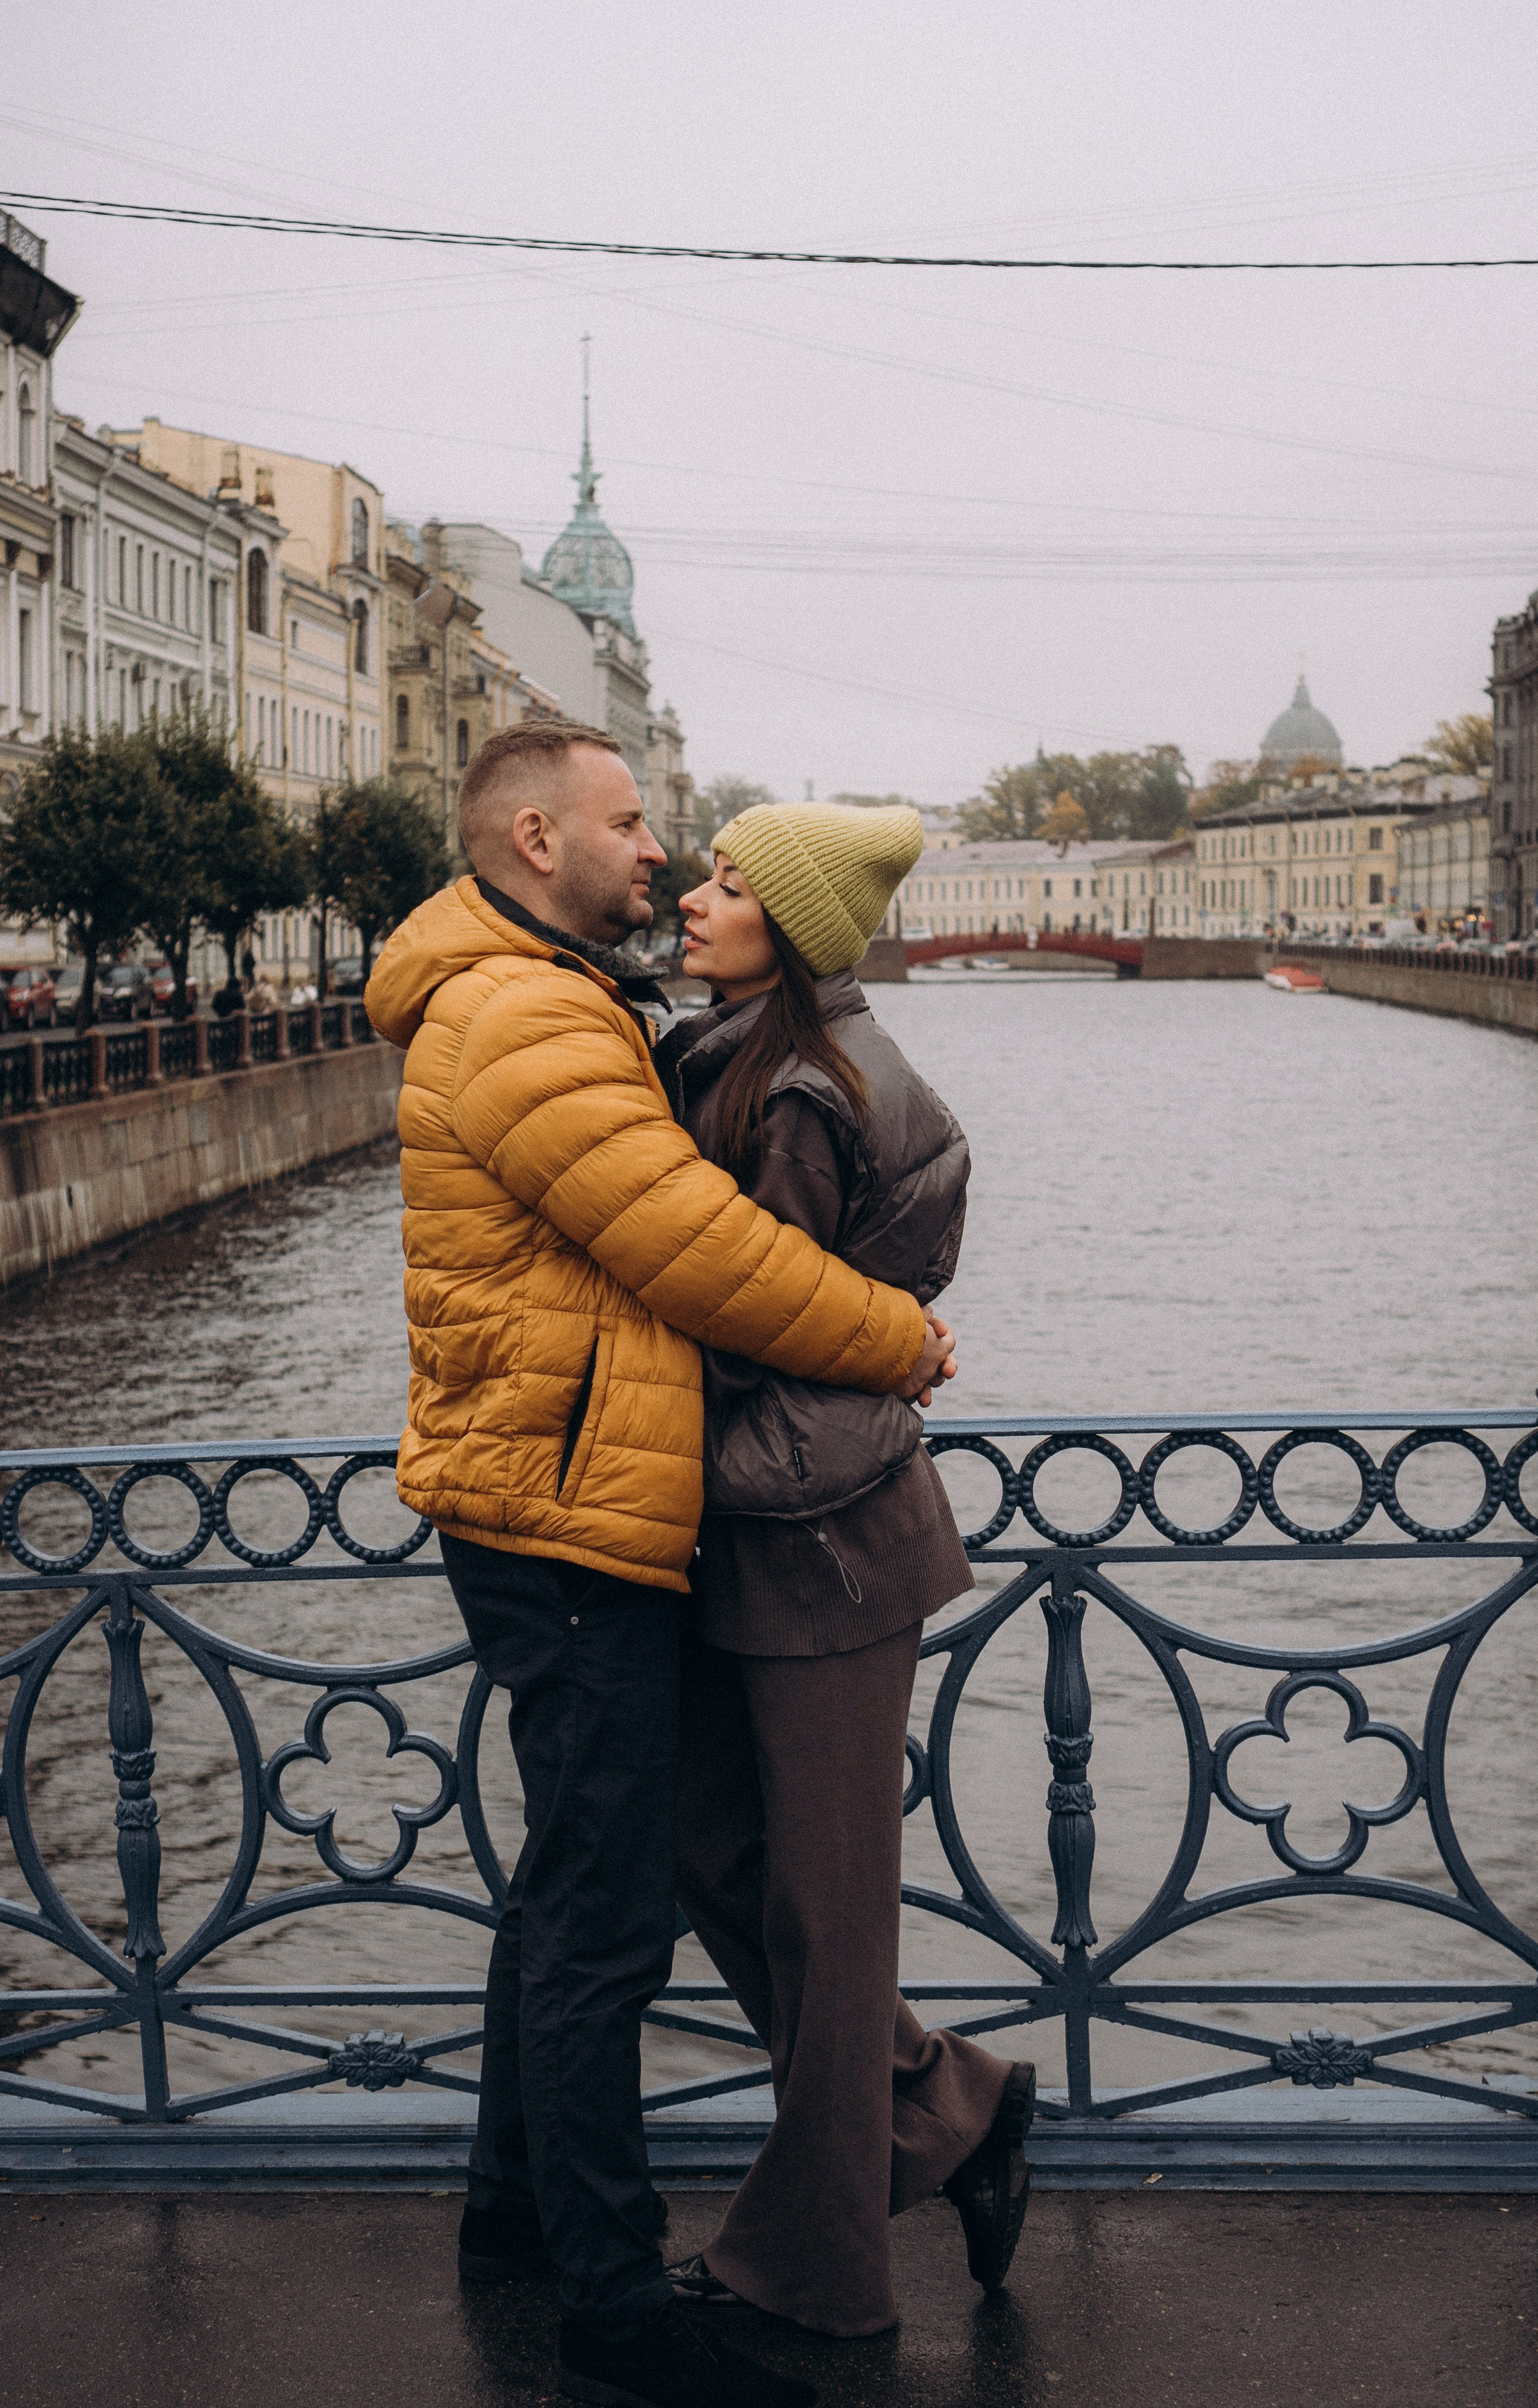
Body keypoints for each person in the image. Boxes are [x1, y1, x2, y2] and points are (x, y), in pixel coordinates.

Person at [364, 722, 954, 2408]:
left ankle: (512, 2213)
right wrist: (896, 1338)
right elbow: (696, 1251)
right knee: (607, 1925)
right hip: (564, 1508)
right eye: (631, 824)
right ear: (535, 838)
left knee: (569, 1885)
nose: (658, 853)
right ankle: (616, 2311)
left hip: (550, 1488)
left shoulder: (538, 990)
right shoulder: (527, 1012)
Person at [653, 804, 1035, 2340]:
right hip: (774, 1516)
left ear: (796, 928)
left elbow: (755, 1314)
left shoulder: (801, 1091)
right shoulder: (745, 1055)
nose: (694, 897)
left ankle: (813, 2270)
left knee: (823, 1912)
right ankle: (949, 2107)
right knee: (711, 1852)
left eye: (729, 883)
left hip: (822, 1535)